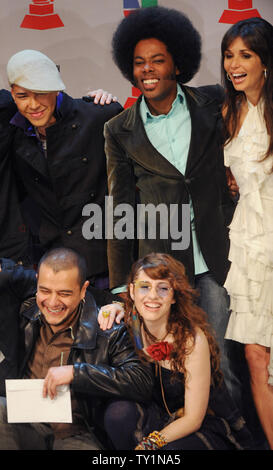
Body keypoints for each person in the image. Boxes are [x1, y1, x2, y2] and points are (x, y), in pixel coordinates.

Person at [103, 6, 238, 405]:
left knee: (222, 362)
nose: (147, 69)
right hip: (163, 272)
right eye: (139, 62)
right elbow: (119, 210)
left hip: (219, 257)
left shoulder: (213, 102)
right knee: (171, 366)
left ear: (177, 64)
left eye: (157, 60)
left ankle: (230, 435)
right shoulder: (118, 129)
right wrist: (118, 288)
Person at [0, 247, 153, 450]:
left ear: (83, 290)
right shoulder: (24, 314)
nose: (52, 302)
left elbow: (141, 380)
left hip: (77, 433)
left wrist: (76, 373)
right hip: (25, 425)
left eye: (64, 293)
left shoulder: (107, 329)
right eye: (45, 291)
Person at [101, 252, 253, 450]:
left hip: (195, 423)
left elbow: (193, 419)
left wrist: (150, 444)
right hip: (155, 415)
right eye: (144, 287)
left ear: (174, 296)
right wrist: (111, 308)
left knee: (167, 452)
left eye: (163, 288)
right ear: (131, 291)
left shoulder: (192, 339)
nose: (153, 296)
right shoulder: (132, 325)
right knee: (117, 414)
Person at [7, 49, 123, 287]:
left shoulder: (99, 116)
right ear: (12, 94)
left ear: (56, 89)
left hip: (105, 264)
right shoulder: (14, 132)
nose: (32, 104)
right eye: (22, 95)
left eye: (40, 93)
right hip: (52, 267)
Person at [221, 17, 273, 449]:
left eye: (245, 55)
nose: (234, 65)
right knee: (256, 357)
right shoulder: (229, 111)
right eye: (229, 55)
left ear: (266, 62)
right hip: (250, 246)